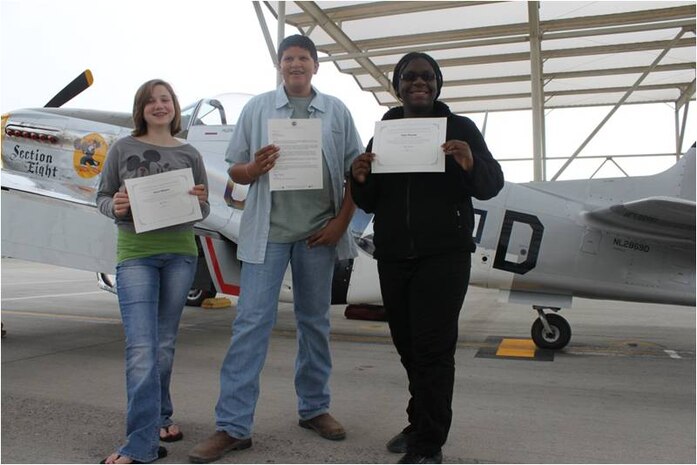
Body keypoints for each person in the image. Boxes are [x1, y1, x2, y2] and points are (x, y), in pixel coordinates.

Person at [189, 34, 363, 463]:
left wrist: (340, 224)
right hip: (266, 233)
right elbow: (236, 170)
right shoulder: (257, 109)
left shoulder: (337, 112)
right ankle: (233, 426)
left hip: (317, 235)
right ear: (279, 65)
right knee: (250, 325)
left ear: (316, 66)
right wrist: (254, 167)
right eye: (288, 59)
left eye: (303, 58)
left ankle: (314, 408)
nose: (296, 65)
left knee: (315, 323)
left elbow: (356, 173)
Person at [350, 52, 504, 464]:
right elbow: (370, 200)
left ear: (438, 84)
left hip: (445, 256)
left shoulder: (461, 128)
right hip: (395, 255)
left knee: (434, 350)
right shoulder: (384, 131)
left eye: (427, 77)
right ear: (397, 85)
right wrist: (359, 177)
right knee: (408, 346)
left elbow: (490, 185)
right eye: (409, 77)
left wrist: (470, 162)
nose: (419, 83)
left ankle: (428, 445)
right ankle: (420, 421)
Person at [97, 79, 210, 464]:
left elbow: (204, 210)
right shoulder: (122, 148)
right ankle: (141, 444)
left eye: (165, 99)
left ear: (175, 107)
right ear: (141, 109)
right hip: (136, 254)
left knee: (162, 345)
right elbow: (102, 198)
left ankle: (161, 416)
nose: (159, 106)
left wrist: (199, 202)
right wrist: (117, 206)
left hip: (180, 255)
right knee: (142, 348)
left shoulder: (191, 154)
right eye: (150, 101)